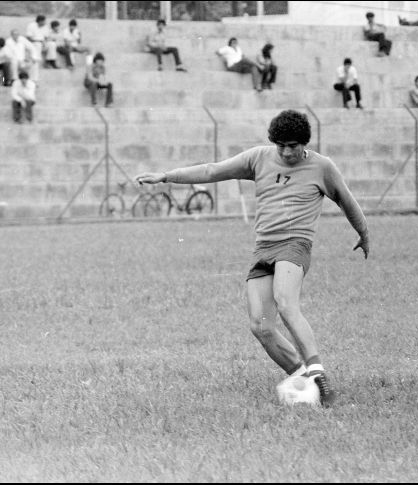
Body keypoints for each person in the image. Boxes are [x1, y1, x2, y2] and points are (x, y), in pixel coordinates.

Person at [134, 110, 370, 408]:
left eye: (293, 145)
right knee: (260, 326)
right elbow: (211, 171)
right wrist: (166, 176)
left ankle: (319, 376)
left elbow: (346, 200)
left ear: (304, 143)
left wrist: (364, 232)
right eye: (281, 145)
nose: (286, 152)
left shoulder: (322, 167)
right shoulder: (259, 158)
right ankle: (301, 378)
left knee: (285, 302)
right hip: (263, 249)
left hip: (294, 245)